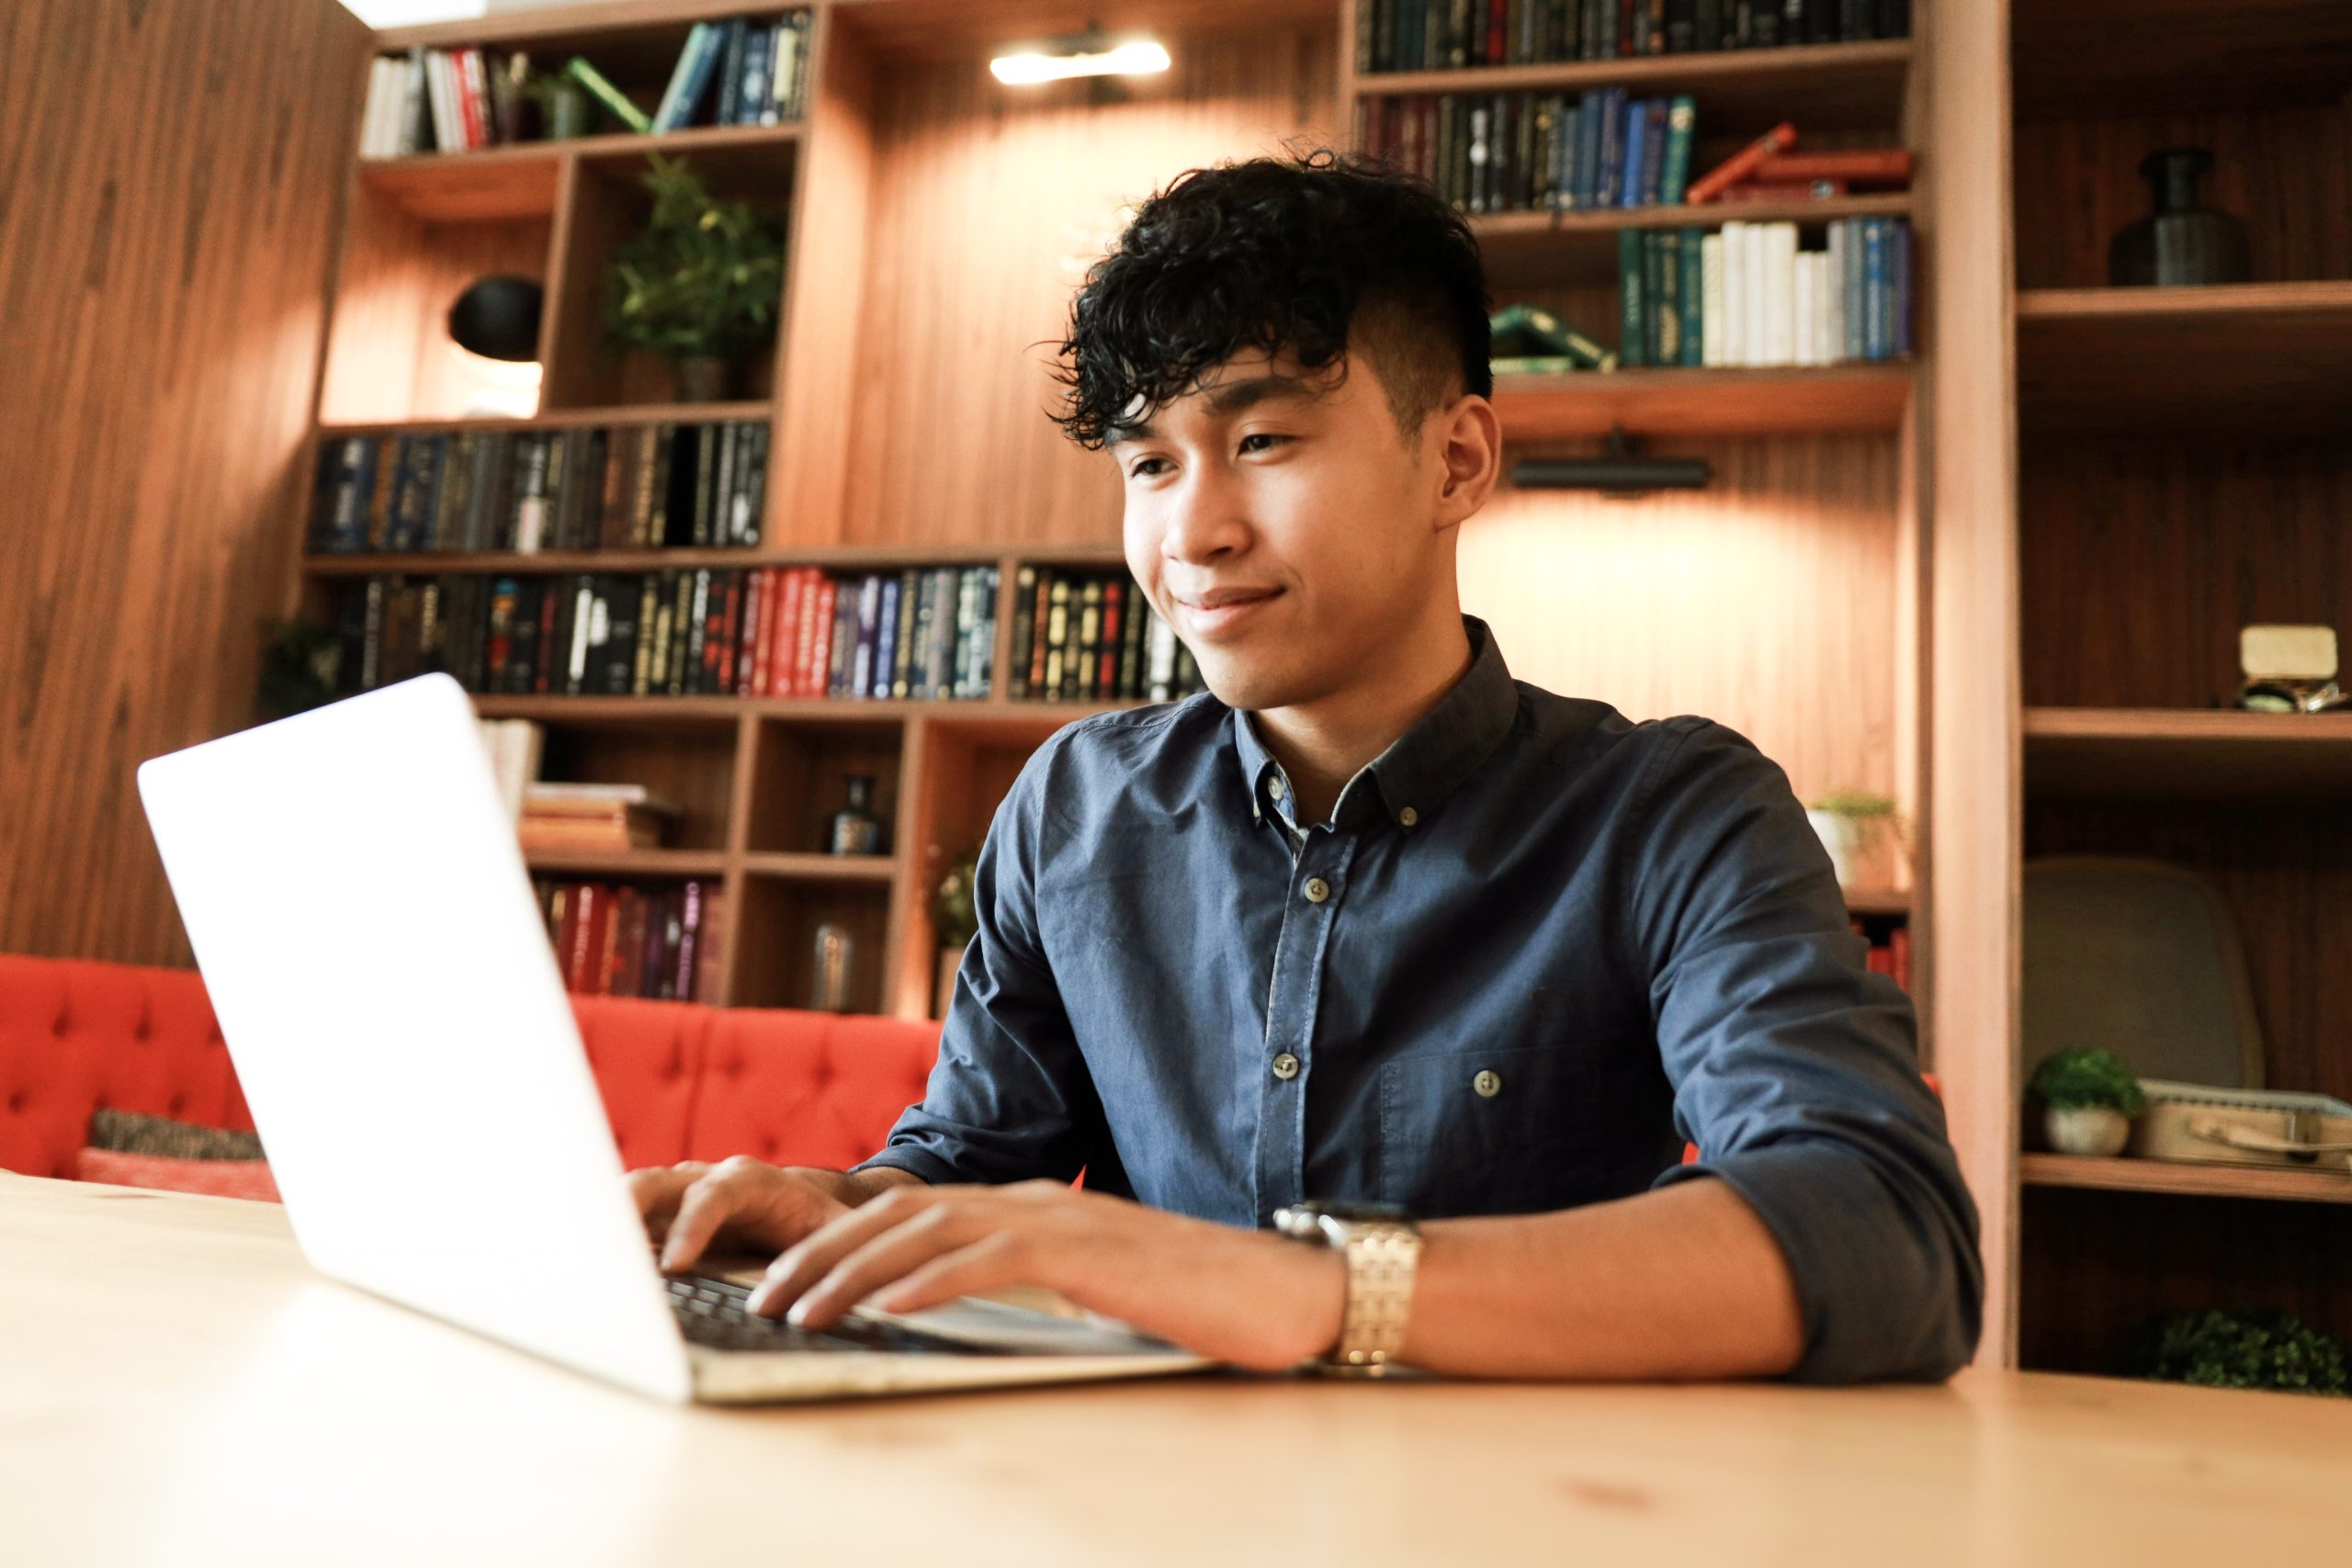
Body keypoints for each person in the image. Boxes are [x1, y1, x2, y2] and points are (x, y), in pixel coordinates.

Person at [630, 148, 1981, 1382]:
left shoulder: (1671, 815)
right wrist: (838, 1207)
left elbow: (1884, 1229)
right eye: (1148, 463)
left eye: (1260, 441)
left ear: (1455, 461)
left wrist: (1319, 1289)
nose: (1192, 532)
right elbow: (976, 1160)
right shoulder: (1077, 807)